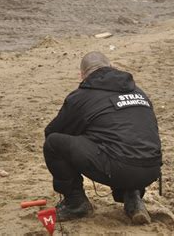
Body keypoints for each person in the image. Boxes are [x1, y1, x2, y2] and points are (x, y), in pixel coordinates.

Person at [43, 51, 162, 224]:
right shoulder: (138, 91)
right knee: (123, 141)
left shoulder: (81, 96)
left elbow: (52, 132)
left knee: (54, 144)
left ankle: (75, 203)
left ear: (82, 75)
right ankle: (132, 197)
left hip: (120, 167)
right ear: (112, 67)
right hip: (151, 169)